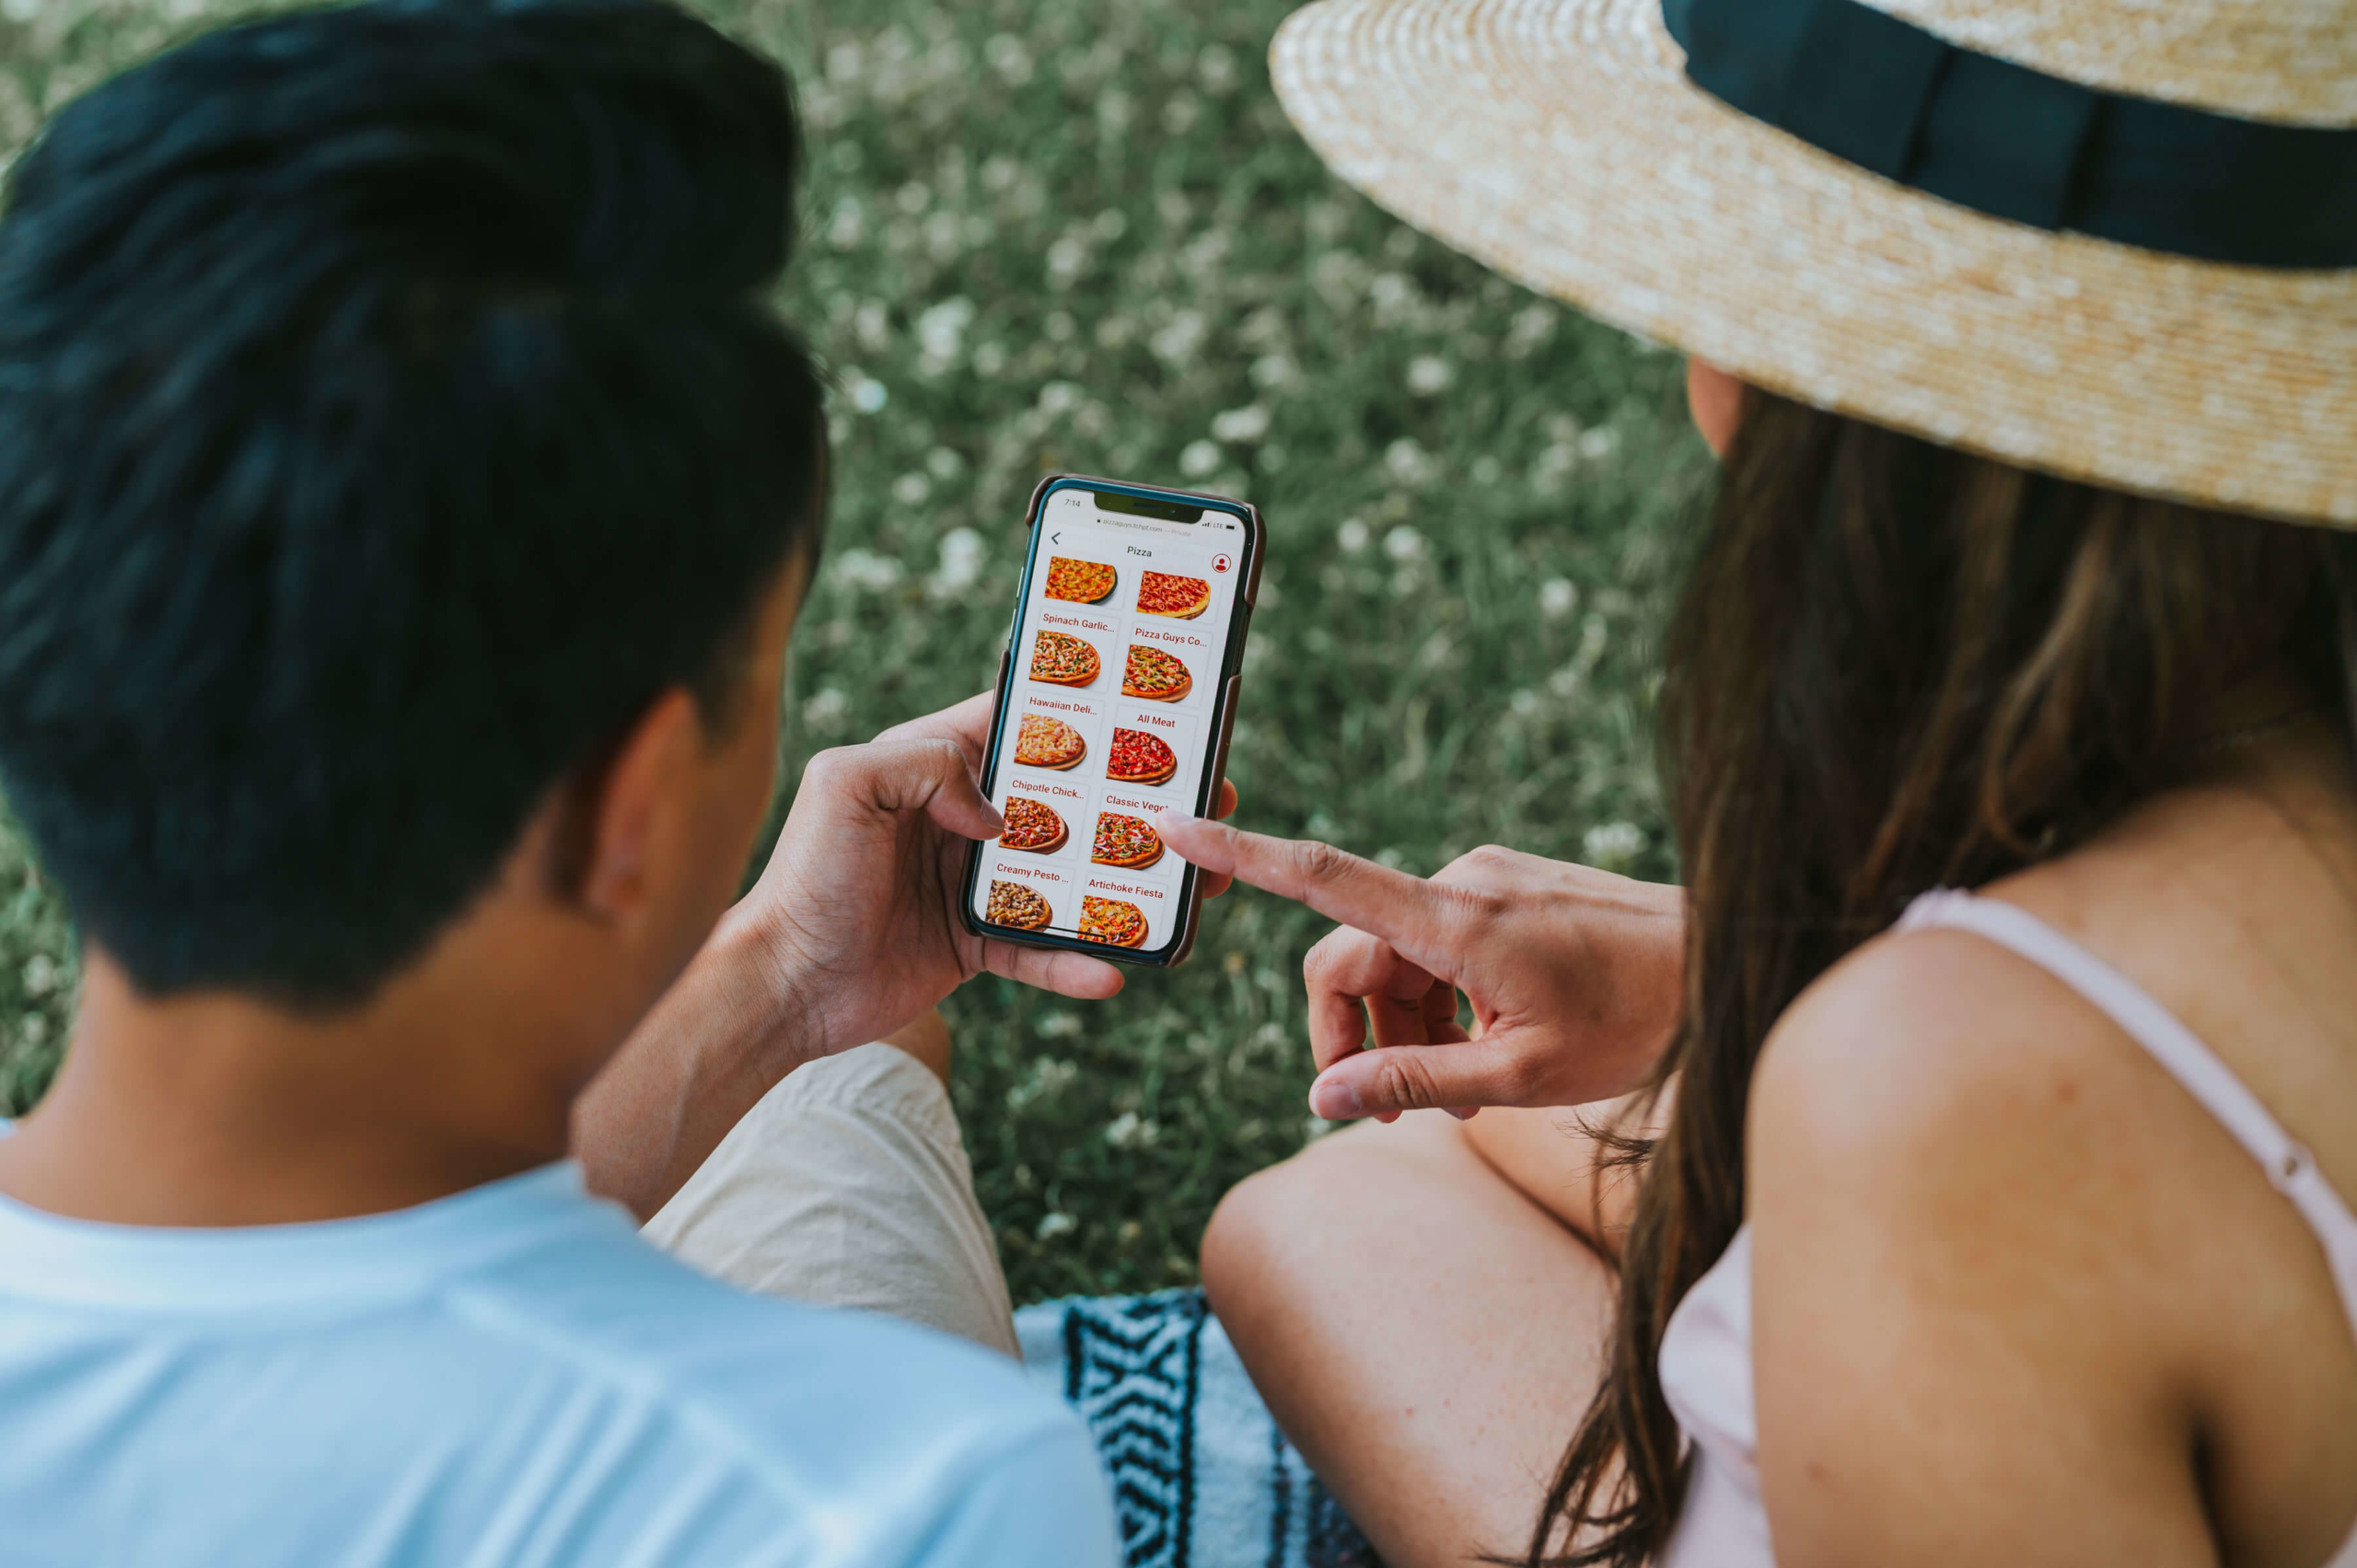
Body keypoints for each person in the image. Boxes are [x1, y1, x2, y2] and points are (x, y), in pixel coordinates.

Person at [0, 2, 1207, 1561]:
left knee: (832, 1053)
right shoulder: (892, 1498)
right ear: (629, 802)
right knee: (844, 1093)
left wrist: (780, 976)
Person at [1156, 0, 2357, 1563]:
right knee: (1328, 1212)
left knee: (1356, 1204)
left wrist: (1840, 1026)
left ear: (1762, 379)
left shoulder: (1934, 1100)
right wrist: (1741, 974)